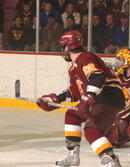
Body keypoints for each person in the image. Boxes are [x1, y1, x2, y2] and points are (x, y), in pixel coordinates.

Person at [36, 30, 125, 167]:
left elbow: (97, 76)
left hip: (108, 95)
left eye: (63, 47)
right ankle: (72, 156)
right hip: (101, 96)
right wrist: (55, 99)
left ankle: (111, 160)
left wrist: (87, 98)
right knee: (72, 115)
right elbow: (76, 91)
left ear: (68, 47)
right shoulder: (73, 67)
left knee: (91, 130)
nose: (63, 50)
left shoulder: (85, 57)